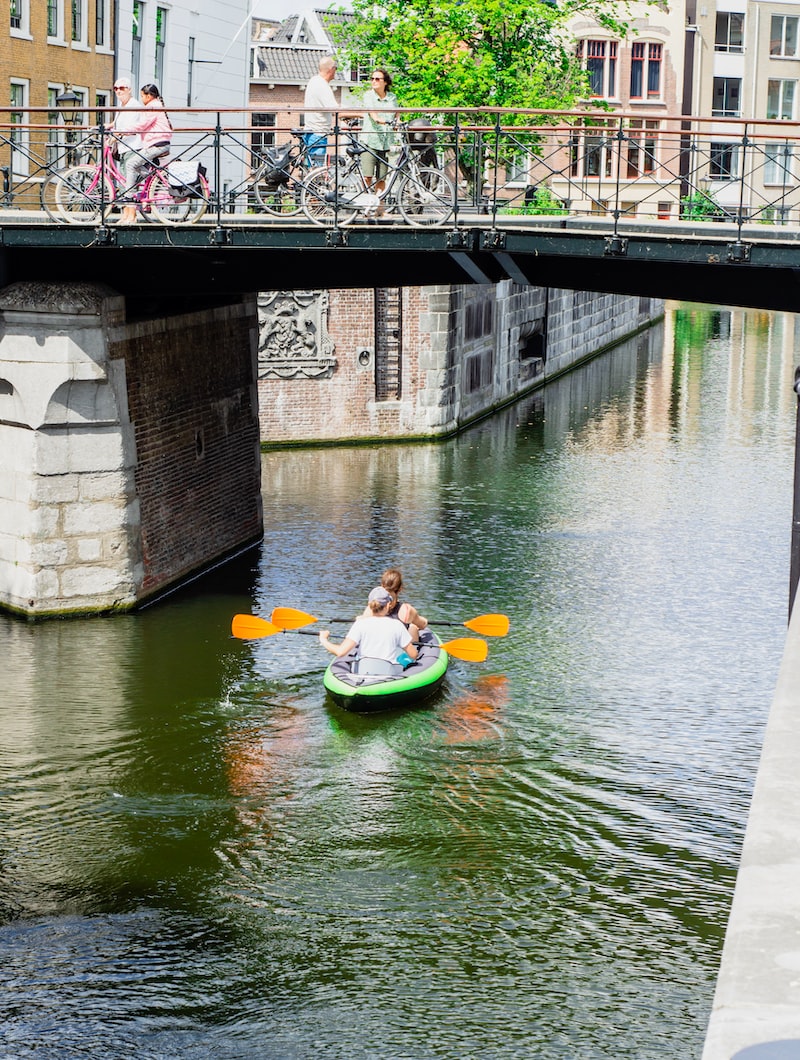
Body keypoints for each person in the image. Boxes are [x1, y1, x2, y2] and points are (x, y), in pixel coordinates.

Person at [116, 83, 173, 224]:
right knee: (135, 166)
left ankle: (129, 196)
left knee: (130, 164)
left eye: (142, 96)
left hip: (157, 144)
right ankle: (152, 179)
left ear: (149, 96)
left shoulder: (152, 106)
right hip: (158, 143)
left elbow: (142, 125)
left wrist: (123, 131)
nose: (141, 99)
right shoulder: (157, 105)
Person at [319, 586, 418, 666]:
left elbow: (340, 652)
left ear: (369, 605)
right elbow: (413, 655)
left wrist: (324, 639)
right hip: (389, 675)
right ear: (388, 605)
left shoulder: (360, 624)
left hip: (364, 673)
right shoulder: (397, 625)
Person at [360, 69, 398, 209]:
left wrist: (397, 122)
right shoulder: (368, 96)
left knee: (382, 177)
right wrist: (381, 120)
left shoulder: (392, 97)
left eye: (377, 79)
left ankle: (379, 209)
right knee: (367, 175)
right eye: (372, 78)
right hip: (370, 139)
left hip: (385, 141)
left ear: (385, 82)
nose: (374, 81)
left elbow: (396, 113)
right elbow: (373, 115)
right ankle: (365, 206)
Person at [362, 568, 427, 637]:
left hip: (377, 643)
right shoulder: (406, 610)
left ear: (381, 585)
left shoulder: (372, 607)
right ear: (400, 589)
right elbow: (423, 625)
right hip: (401, 645)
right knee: (413, 627)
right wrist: (416, 623)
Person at [303, 56, 340, 166]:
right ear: (331, 69)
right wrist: (361, 114)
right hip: (318, 133)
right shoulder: (322, 85)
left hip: (310, 131)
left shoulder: (313, 81)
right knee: (317, 170)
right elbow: (335, 109)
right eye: (336, 68)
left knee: (313, 167)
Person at [110, 77, 141, 168]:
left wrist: (112, 139)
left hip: (133, 147)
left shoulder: (133, 105)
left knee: (128, 177)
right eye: (116, 88)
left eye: (122, 88)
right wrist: (109, 125)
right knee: (125, 175)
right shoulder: (122, 104)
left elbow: (129, 127)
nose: (118, 91)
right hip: (124, 147)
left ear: (129, 90)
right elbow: (120, 120)